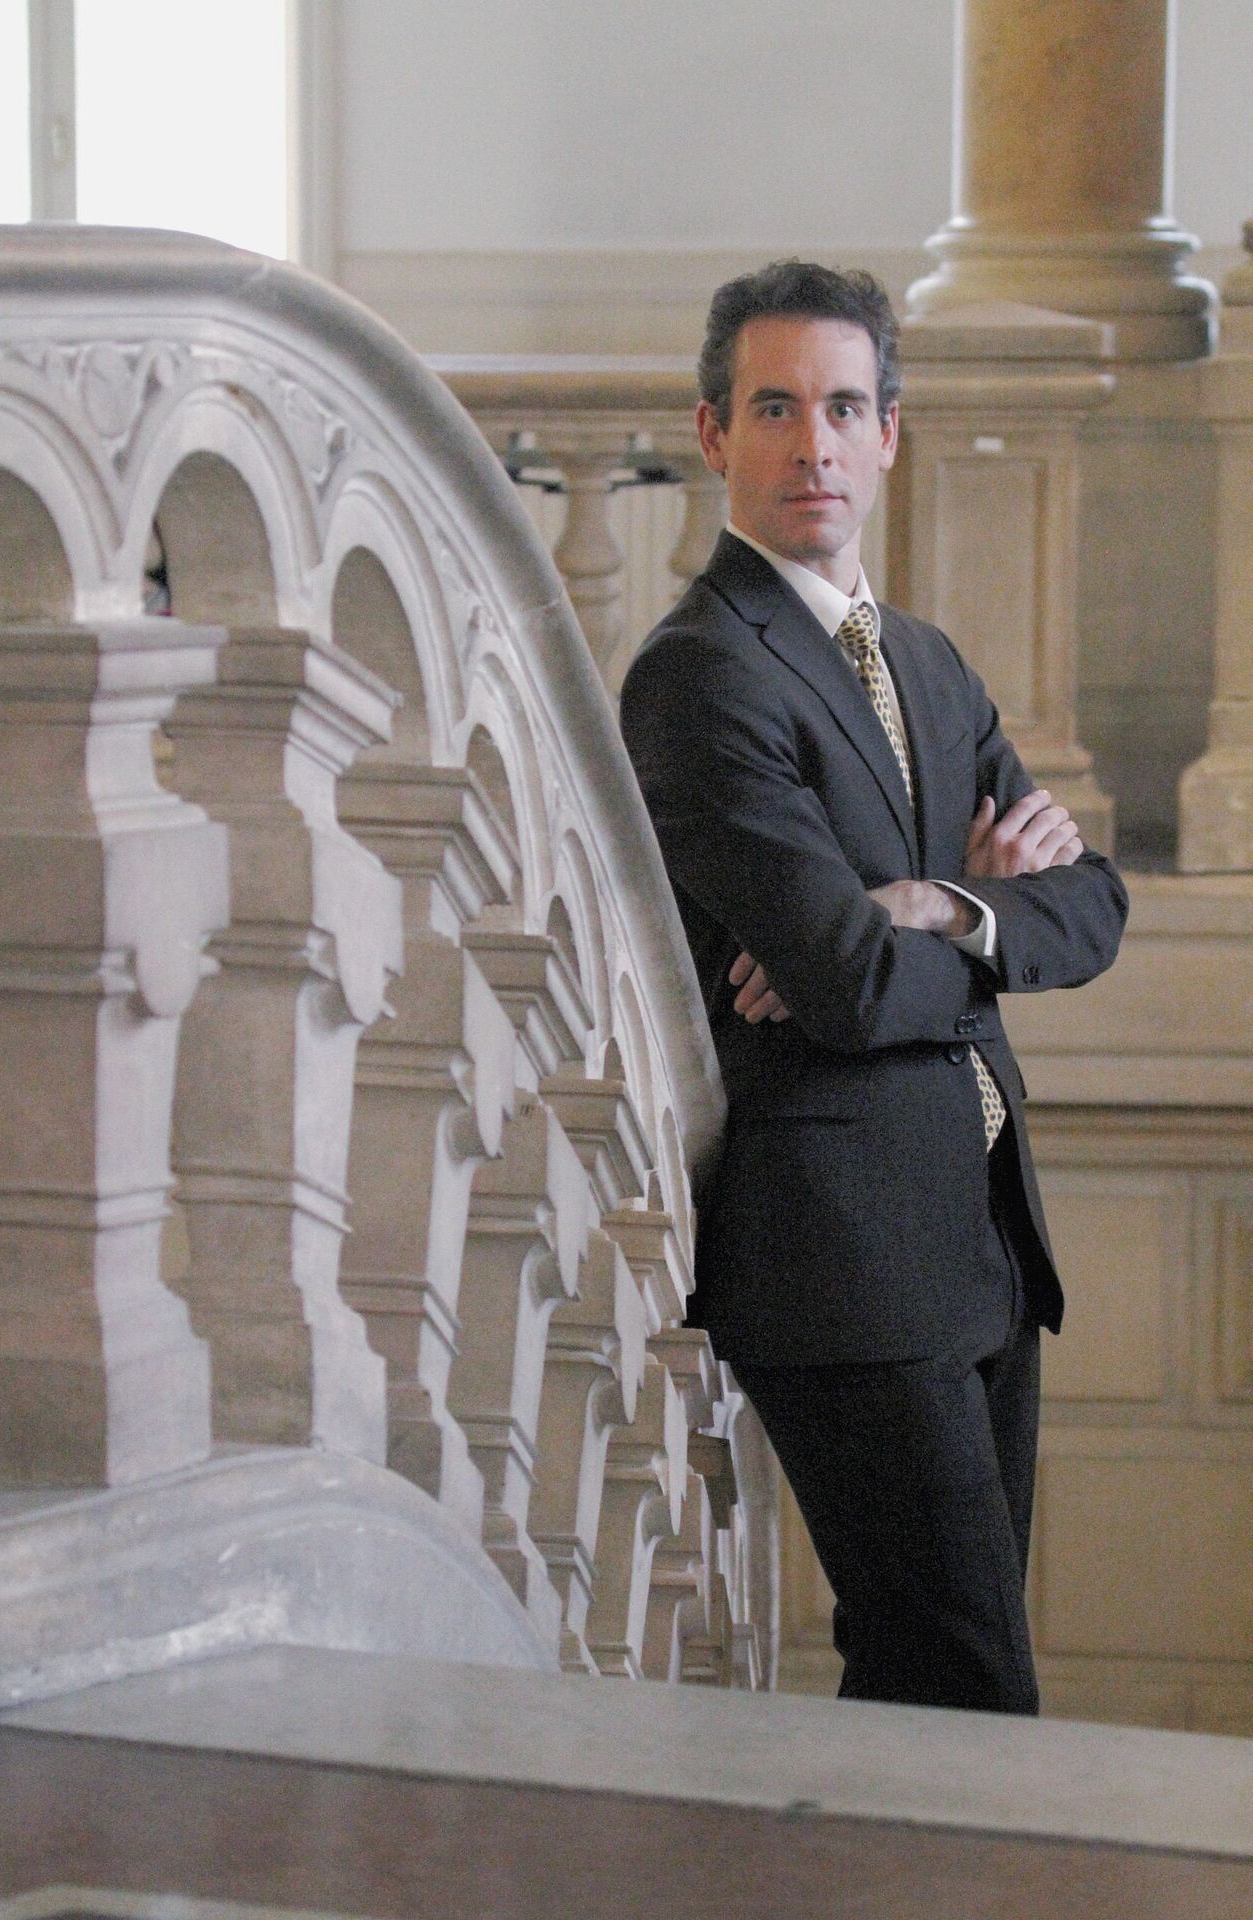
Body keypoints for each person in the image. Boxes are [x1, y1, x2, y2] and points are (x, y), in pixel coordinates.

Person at [619, 260, 1127, 1714]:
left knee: (934, 1693)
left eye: (845, 407)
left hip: (980, 1239)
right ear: (714, 434)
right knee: (967, 1682)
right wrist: (950, 935)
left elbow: (1094, 906)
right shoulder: (701, 674)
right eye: (775, 408)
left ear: (890, 432)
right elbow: (841, 987)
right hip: (842, 1253)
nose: (814, 444)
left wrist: (937, 905)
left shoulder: (926, 664)